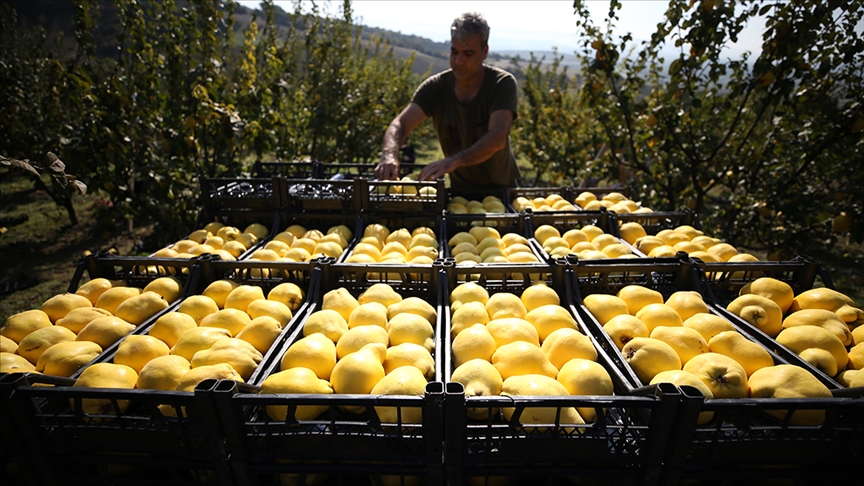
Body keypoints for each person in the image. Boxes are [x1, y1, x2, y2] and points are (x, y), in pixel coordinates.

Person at [373, 12, 521, 191]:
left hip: (501, 189)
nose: (459, 61)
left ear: (485, 52)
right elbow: (400, 124)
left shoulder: (501, 83)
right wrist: (389, 154)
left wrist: (454, 160)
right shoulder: (435, 87)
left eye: (468, 54)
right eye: (454, 52)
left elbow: (497, 137)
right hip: (459, 191)